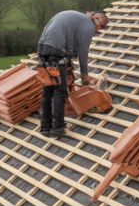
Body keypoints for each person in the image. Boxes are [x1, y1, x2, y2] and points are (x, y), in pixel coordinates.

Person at [36, 10, 108, 138]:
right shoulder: (88, 25)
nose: (97, 29)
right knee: (60, 91)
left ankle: (45, 127)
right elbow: (83, 51)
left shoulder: (75, 19)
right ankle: (57, 127)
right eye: (100, 26)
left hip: (43, 49)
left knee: (48, 90)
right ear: (97, 17)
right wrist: (84, 74)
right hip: (56, 52)